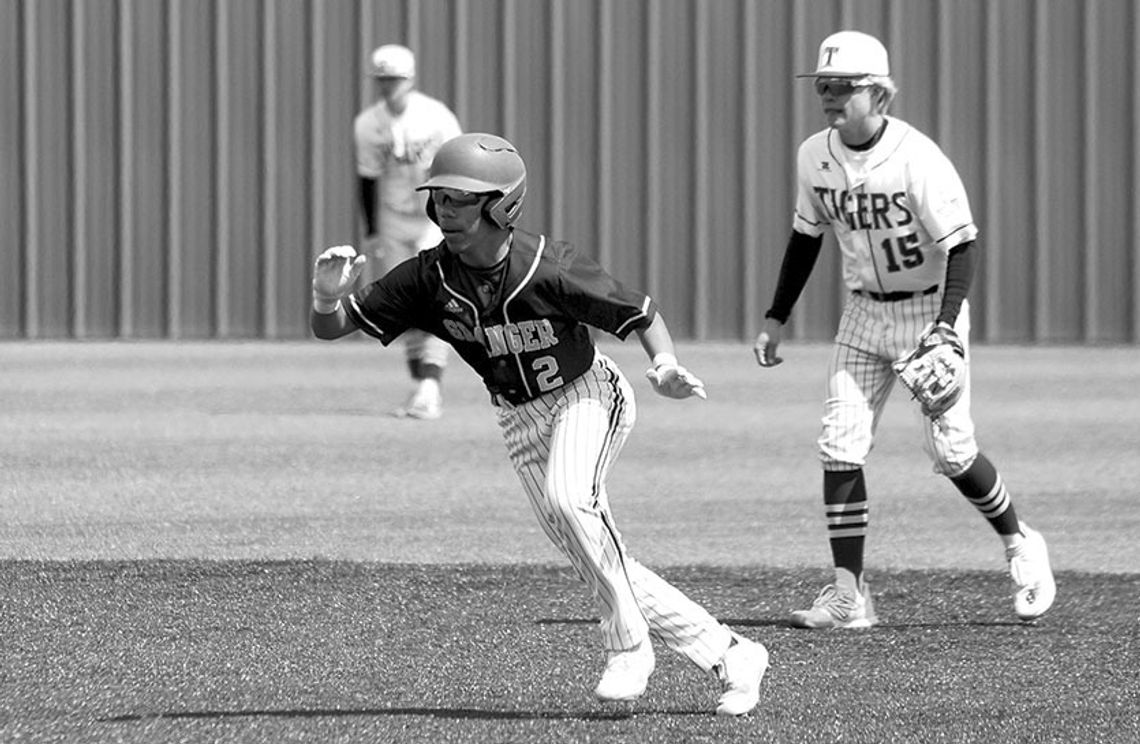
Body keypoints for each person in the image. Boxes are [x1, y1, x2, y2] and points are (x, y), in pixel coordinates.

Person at [312, 133, 769, 715]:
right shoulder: (427, 278)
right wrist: (326, 299)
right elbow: (334, 326)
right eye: (440, 199)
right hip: (516, 418)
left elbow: (641, 314)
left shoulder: (548, 265)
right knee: (596, 552)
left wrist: (666, 365)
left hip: (586, 395)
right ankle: (732, 653)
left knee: (571, 500)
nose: (444, 210)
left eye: (460, 198)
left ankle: (629, 648)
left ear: (501, 205)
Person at [754, 30, 1056, 628]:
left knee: (950, 451)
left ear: (878, 94)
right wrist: (776, 315)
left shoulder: (918, 158)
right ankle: (849, 596)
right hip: (863, 312)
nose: (828, 96)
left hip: (926, 311)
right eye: (823, 85)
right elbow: (805, 237)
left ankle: (1021, 542)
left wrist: (945, 328)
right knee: (839, 445)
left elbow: (962, 245)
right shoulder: (814, 154)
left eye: (841, 86)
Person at [353, 44, 463, 419]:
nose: (389, 87)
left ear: (410, 79)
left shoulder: (436, 117)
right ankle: (422, 387)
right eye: (383, 79)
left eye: (395, 79)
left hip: (433, 217)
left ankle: (430, 387)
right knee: (405, 304)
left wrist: (459, 218)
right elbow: (366, 180)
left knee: (433, 298)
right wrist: (370, 231)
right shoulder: (368, 124)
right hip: (393, 217)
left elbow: (459, 165)